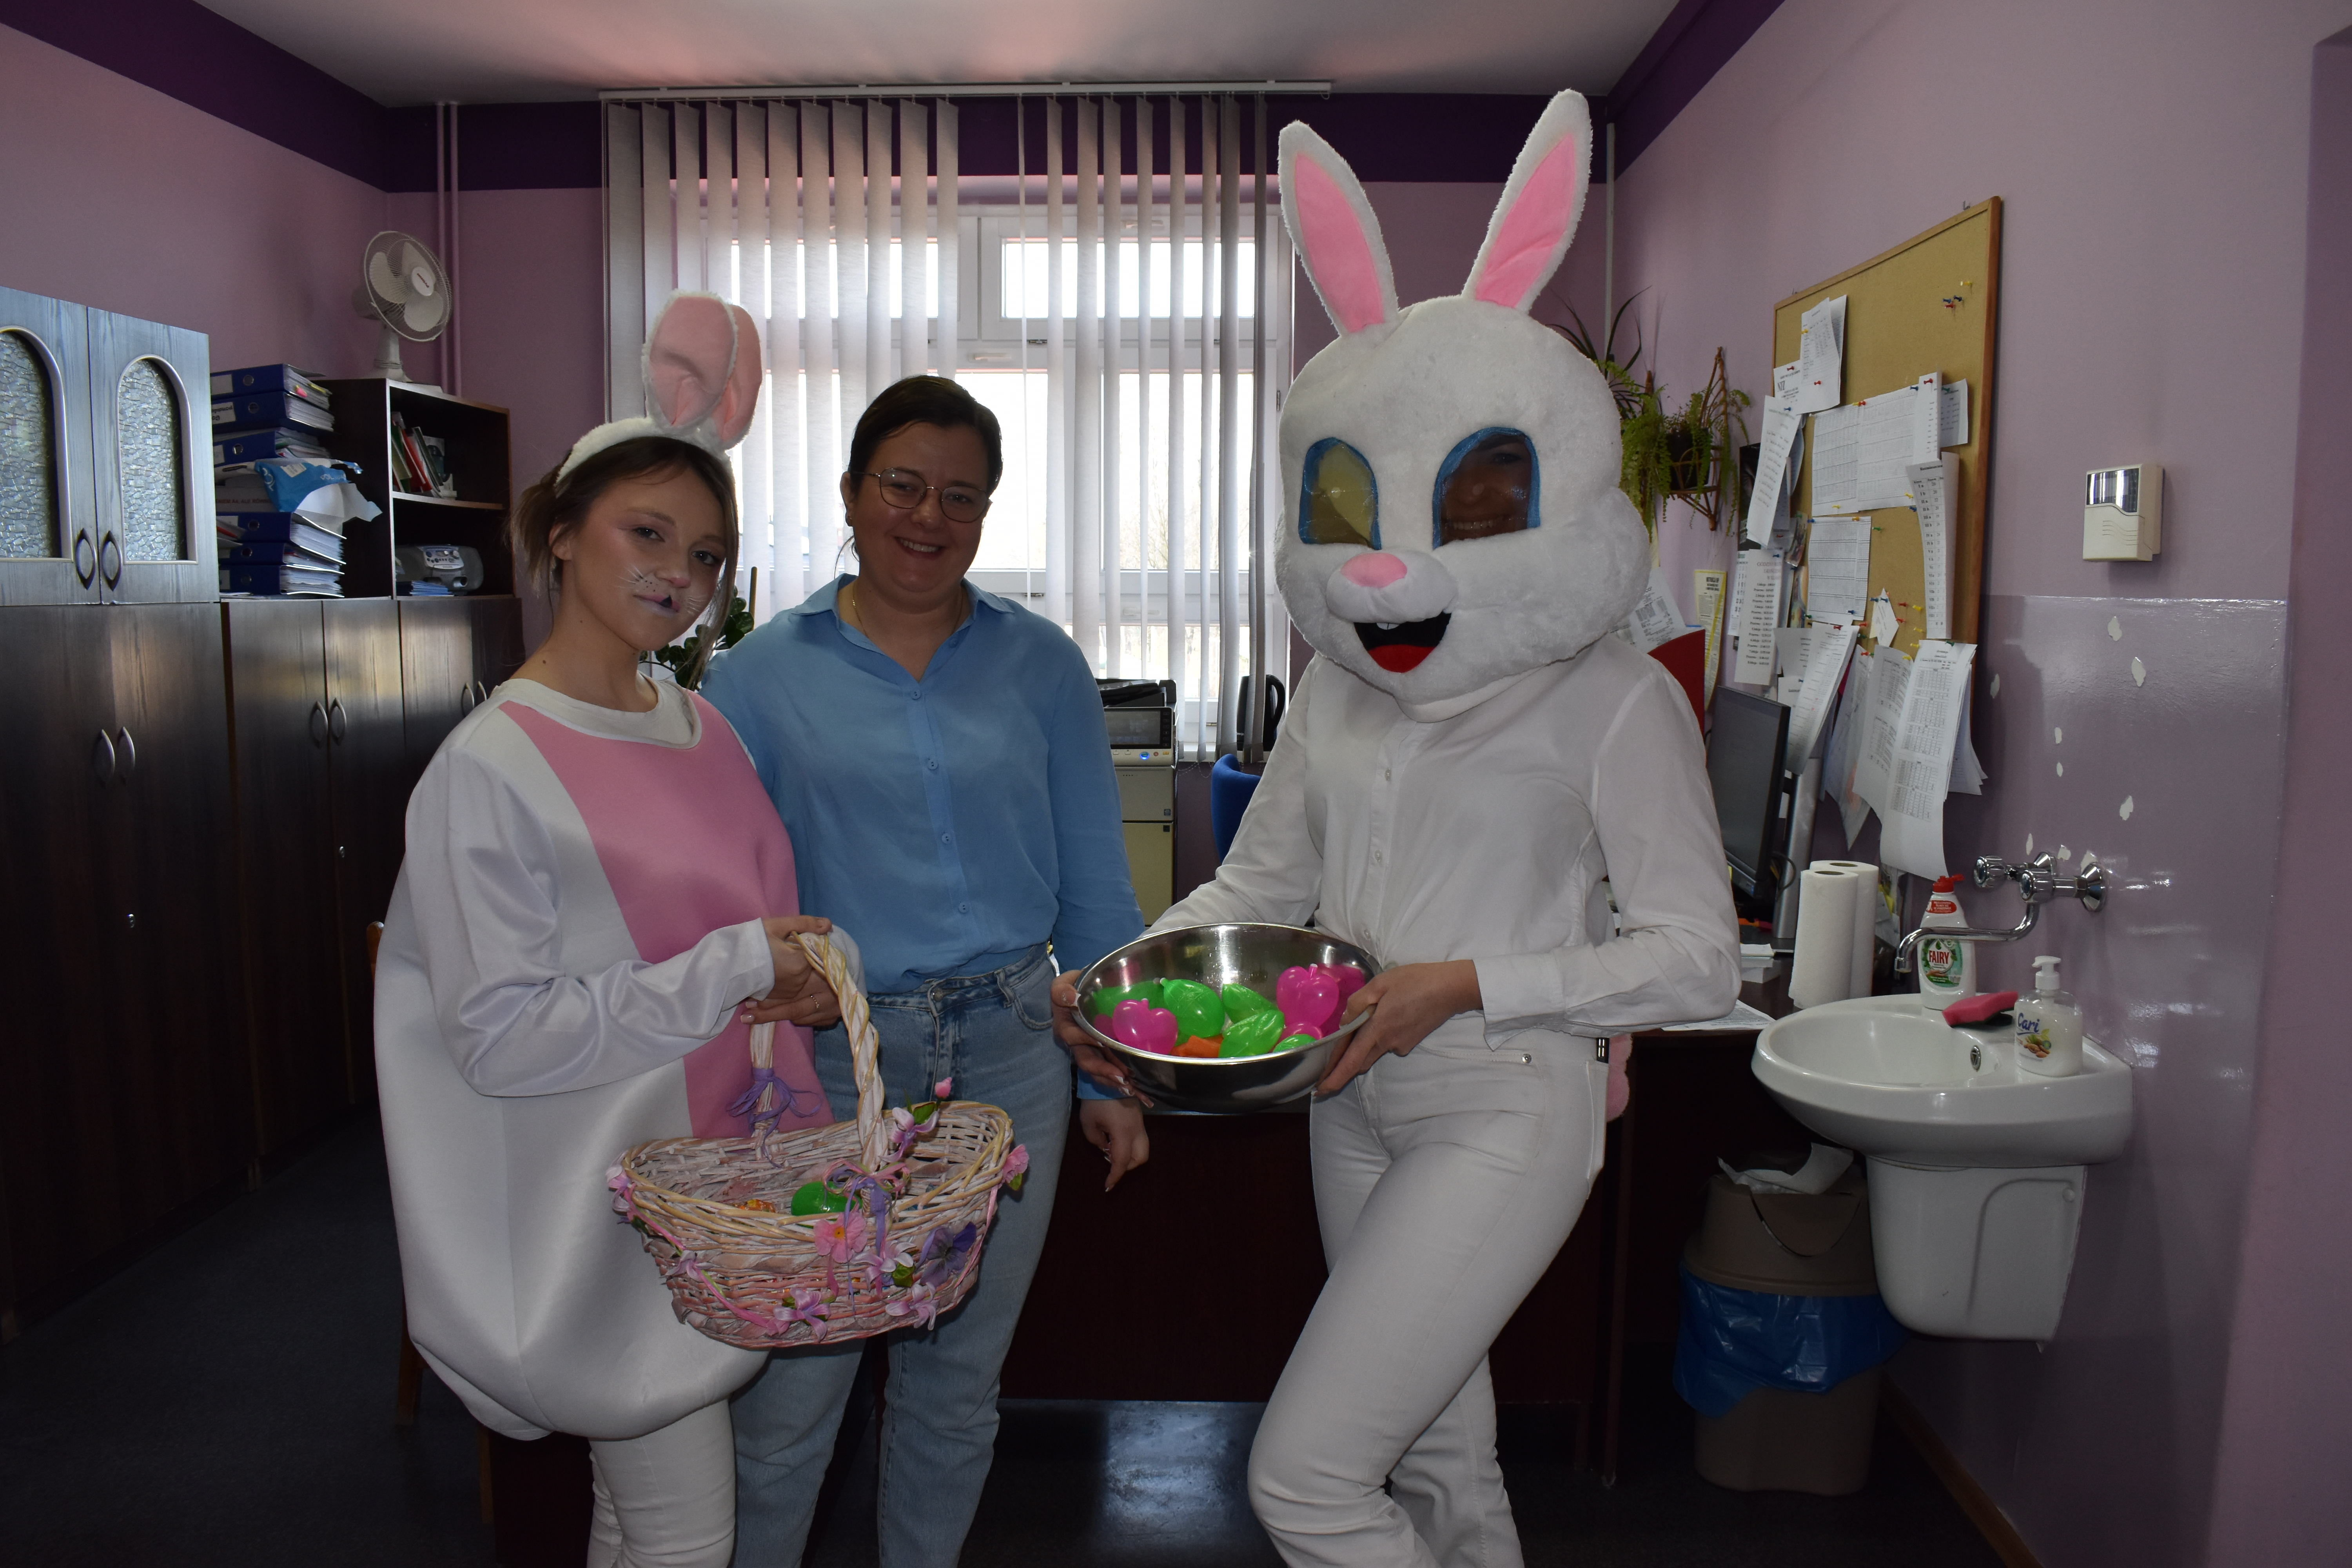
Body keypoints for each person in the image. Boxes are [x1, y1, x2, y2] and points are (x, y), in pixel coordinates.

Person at [1057, 97, 1738, 1567]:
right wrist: (1120, 985)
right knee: (1442, 1458)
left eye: (1475, 503)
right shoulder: (1342, 686)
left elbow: (1697, 958)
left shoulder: (1615, 698)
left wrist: (1469, 984)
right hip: (1349, 1102)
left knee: (1307, 1480)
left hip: (1507, 1102)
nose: (1391, 560)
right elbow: (1257, 882)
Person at [376, 294, 849, 1568]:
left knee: (640, 1519)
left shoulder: (702, 726)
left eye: (706, 554)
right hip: (598, 1207)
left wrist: (798, 982)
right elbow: (500, 1038)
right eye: (648, 532)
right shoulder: (492, 767)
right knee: (687, 1529)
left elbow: (747, 925)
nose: (678, 574)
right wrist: (736, 967)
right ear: (562, 531)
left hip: (710, 1182)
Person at [704, 375, 1151, 1566]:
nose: (928, 516)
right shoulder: (755, 679)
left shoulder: (1043, 666)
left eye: (963, 496)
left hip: (1012, 1049)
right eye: (902, 485)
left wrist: (1109, 1074)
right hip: (834, 1060)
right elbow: (726, 897)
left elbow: (1097, 885)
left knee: (956, 1383)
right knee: (796, 1392)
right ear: (852, 493)